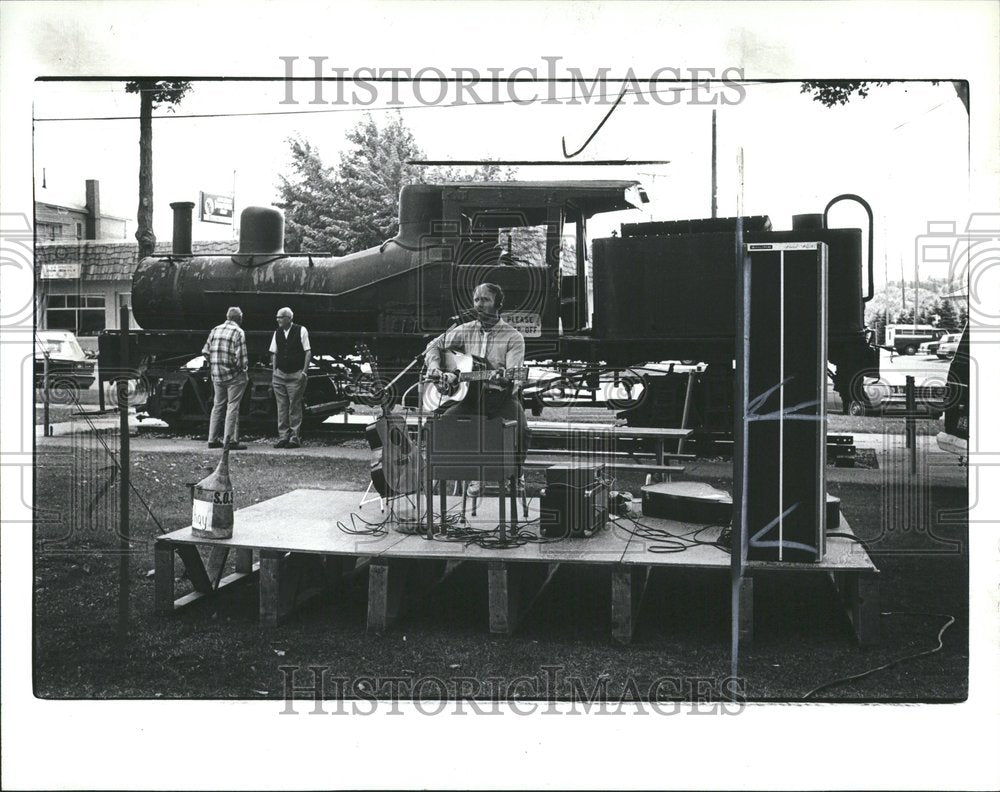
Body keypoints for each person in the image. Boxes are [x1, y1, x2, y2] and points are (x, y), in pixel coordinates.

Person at [424, 283, 528, 497]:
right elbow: (433, 346)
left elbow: (514, 374)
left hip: (499, 398)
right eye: (476, 300)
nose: (479, 304)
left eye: (486, 300)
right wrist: (436, 369)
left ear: (498, 304)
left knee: (523, 430)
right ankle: (457, 474)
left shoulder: (513, 336)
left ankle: (515, 474)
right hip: (468, 398)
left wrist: (505, 379)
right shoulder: (464, 329)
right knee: (438, 426)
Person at [202, 306, 248, 450]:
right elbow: (241, 359)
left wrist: (214, 365)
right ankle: (230, 441)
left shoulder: (215, 330)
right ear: (239, 318)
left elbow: (205, 351)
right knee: (232, 406)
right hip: (233, 376)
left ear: (227, 317)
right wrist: (242, 370)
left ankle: (212, 439)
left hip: (217, 375)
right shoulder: (238, 332)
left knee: (217, 406)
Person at [269, 306, 311, 448]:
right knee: (281, 407)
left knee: (294, 406)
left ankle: (294, 438)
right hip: (280, 374)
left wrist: (304, 372)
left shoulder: (301, 330)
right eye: (277, 317)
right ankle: (283, 437)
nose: (278, 320)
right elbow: (274, 352)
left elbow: (307, 352)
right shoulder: (277, 332)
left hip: (295, 374)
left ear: (289, 318)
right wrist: (274, 372)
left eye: (280, 317)